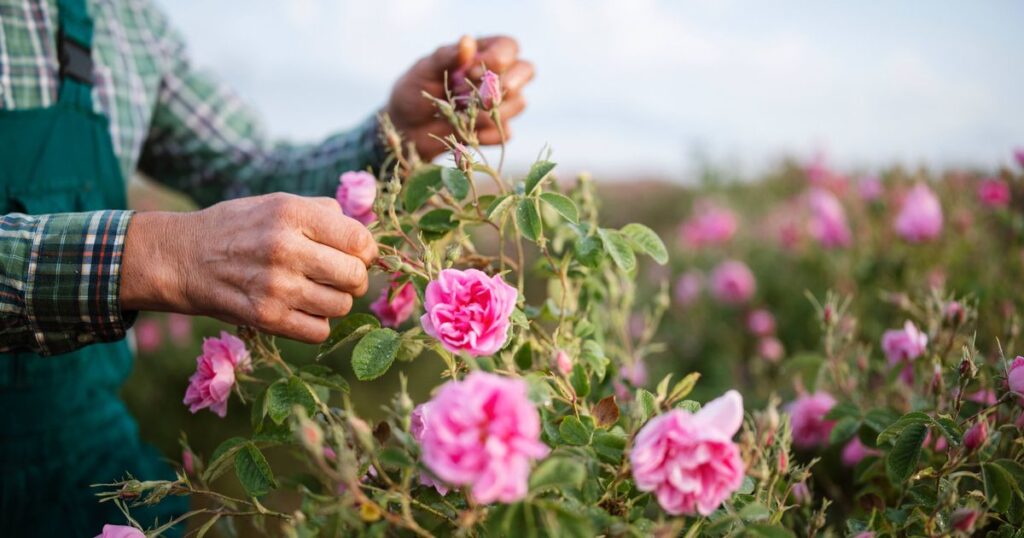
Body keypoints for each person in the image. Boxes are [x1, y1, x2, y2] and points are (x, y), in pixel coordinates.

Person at [0, 0, 534, 535]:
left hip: (84, 447)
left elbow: (249, 170)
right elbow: (175, 244)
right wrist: (150, 255)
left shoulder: (123, 22)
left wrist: (394, 132)